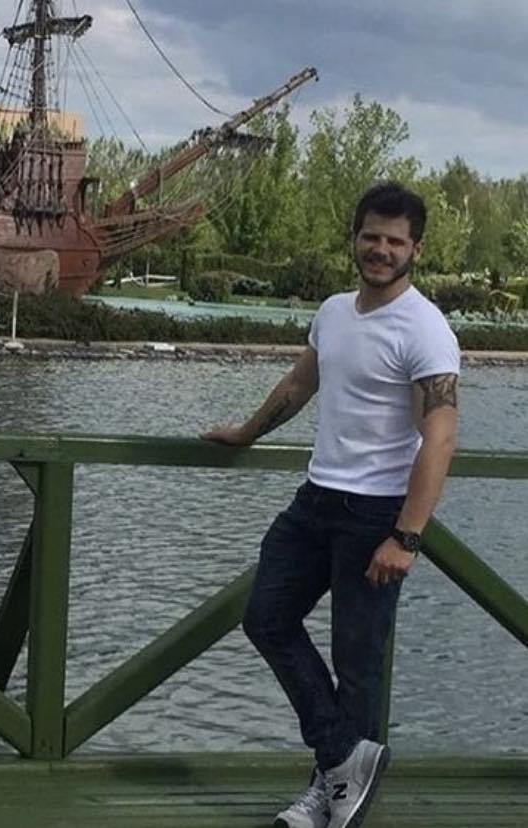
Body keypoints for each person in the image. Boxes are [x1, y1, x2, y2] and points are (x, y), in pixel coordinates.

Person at [203, 182, 460, 828]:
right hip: (315, 500)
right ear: (354, 238)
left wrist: (407, 536)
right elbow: (300, 382)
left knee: (357, 663)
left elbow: (441, 436)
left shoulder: (426, 328)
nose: (381, 249)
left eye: (395, 241)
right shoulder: (333, 312)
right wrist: (247, 432)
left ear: (416, 249)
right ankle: (345, 760)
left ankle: (333, 795)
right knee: (266, 617)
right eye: (371, 236)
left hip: (376, 514)